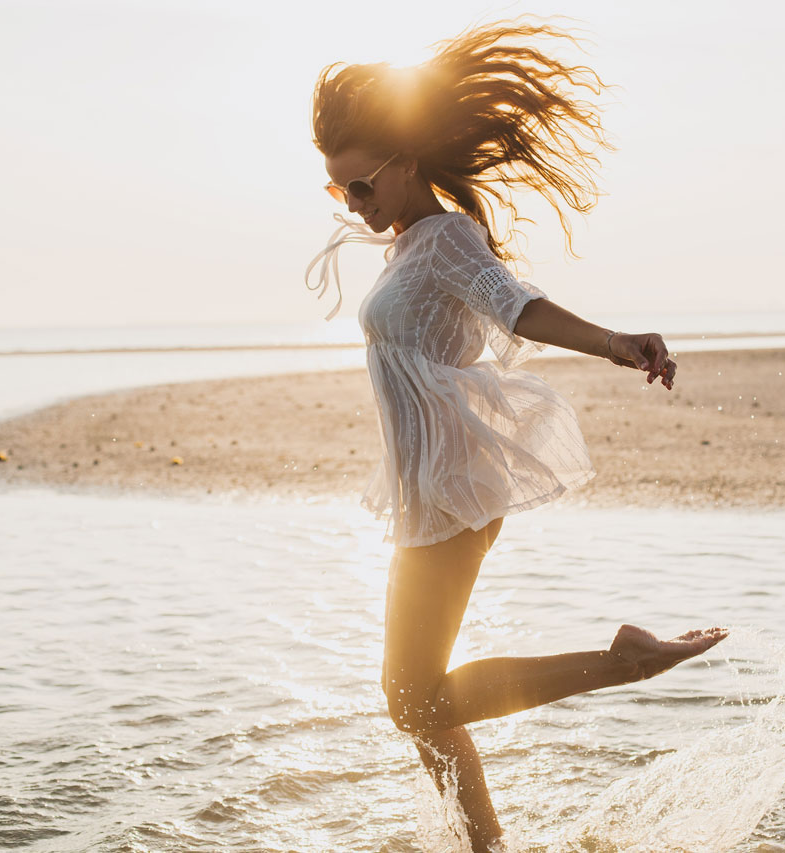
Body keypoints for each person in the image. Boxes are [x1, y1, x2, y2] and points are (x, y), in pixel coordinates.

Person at [308, 20, 728, 852]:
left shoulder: (448, 237)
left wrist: (616, 343)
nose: (354, 206)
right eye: (338, 194)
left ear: (404, 161)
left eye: (359, 186)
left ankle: (626, 661)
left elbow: (518, 305)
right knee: (420, 700)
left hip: (455, 489)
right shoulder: (409, 246)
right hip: (424, 492)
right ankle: (488, 844)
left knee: (412, 701)